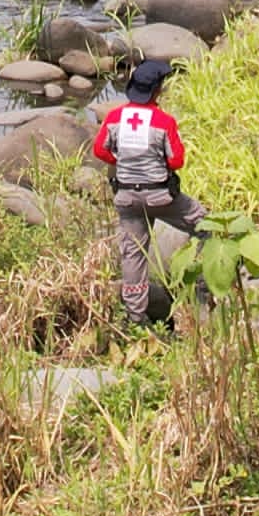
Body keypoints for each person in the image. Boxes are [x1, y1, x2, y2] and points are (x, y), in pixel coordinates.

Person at [89, 59, 198, 323]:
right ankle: (208, 286)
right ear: (157, 89)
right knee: (205, 223)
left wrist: (121, 162)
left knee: (133, 254)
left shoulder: (114, 118)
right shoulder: (164, 121)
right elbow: (176, 161)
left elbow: (100, 150)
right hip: (161, 197)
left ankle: (135, 316)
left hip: (127, 198)